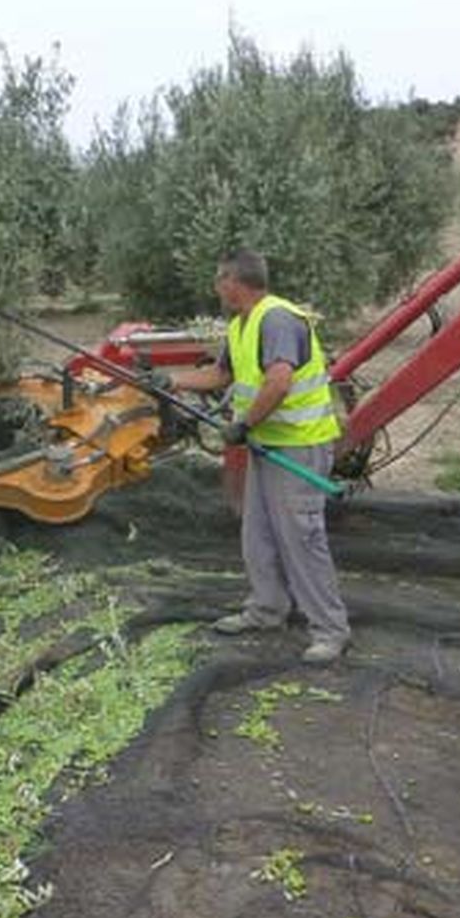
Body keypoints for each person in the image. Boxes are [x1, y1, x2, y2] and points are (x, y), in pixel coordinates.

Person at [161, 249, 350, 665]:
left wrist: (243, 425)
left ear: (234, 281)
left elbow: (279, 381)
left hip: (298, 446)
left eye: (218, 279)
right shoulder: (240, 324)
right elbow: (220, 375)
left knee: (302, 538)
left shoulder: (277, 319)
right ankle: (267, 610)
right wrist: (169, 382)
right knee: (258, 533)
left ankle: (330, 630)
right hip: (268, 445)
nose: (215, 287)